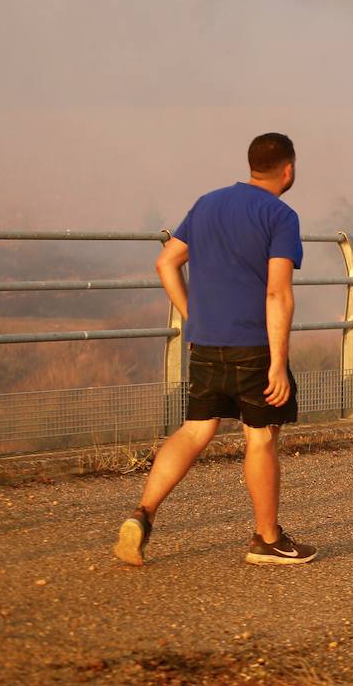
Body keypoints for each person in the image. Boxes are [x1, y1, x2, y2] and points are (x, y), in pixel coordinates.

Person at [113, 133, 317, 567]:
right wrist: (277, 365)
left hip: (206, 343)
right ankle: (266, 540)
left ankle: (141, 516)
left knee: (195, 430)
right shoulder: (280, 215)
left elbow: (166, 262)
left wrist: (193, 316)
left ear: (251, 166)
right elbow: (278, 294)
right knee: (260, 439)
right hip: (253, 348)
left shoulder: (206, 204)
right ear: (289, 169)